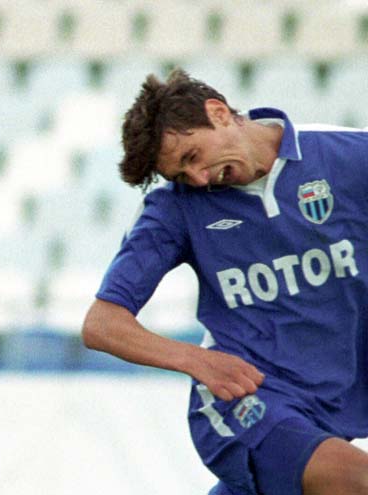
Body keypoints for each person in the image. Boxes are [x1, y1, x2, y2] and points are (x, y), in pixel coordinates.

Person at [81, 67, 368, 495]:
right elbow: (102, 324)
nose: (198, 179)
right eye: (181, 174)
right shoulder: (175, 208)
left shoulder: (347, 156)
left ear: (218, 112)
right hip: (244, 399)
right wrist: (198, 361)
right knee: (355, 479)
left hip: (334, 399)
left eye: (192, 157)